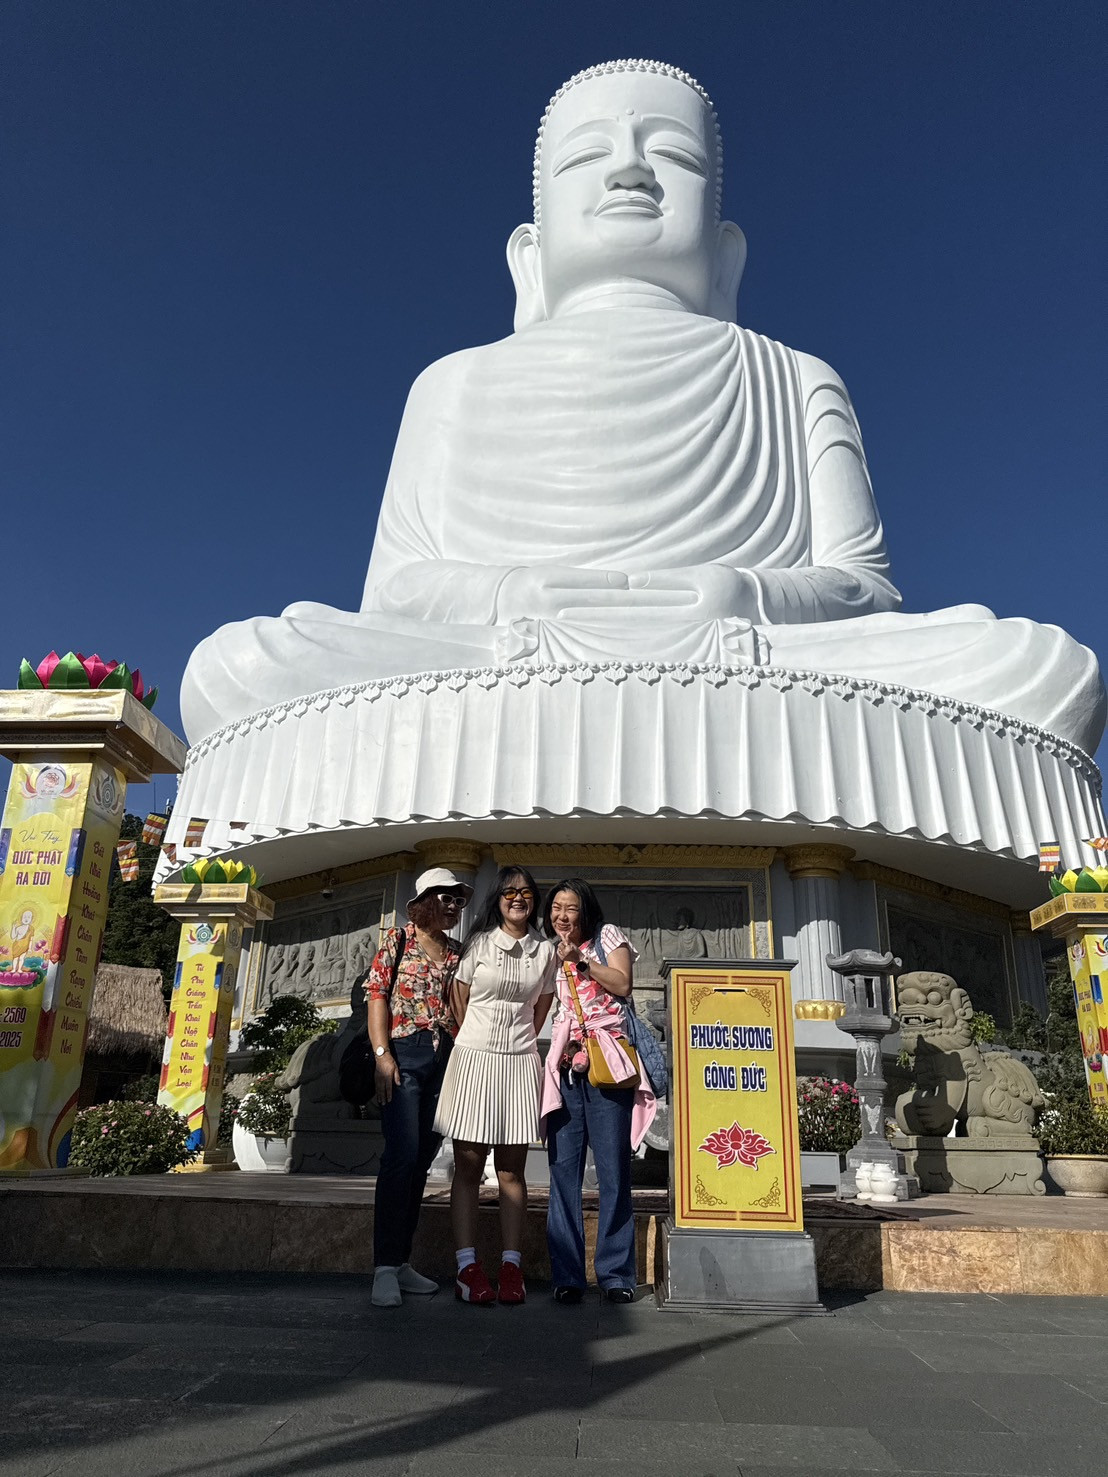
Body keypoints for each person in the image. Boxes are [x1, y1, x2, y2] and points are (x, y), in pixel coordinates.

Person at [182, 59, 1103, 756]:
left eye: (673, 155)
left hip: (746, 655)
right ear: (530, 254)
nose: (630, 172)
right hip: (507, 650)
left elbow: (864, 591)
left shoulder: (795, 376)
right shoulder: (453, 381)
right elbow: (397, 590)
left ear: (726, 252)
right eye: (590, 155)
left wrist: (746, 593)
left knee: (1039, 667)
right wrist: (513, 592)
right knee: (247, 663)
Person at [433, 865, 557, 1304]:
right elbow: (459, 1002)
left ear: (534, 899)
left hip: (519, 1062)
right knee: (468, 1166)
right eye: (508, 892)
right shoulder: (479, 944)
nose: (517, 898)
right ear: (498, 899)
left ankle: (511, 1266)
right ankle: (467, 1267)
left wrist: (514, 1043)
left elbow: (540, 1010)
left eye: (525, 892)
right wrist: (480, 1041)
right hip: (474, 1059)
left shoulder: (546, 951)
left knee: (511, 1171)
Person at [540, 877, 656, 1304]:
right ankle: (567, 1275)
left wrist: (582, 962)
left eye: (570, 908)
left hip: (608, 1065)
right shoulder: (548, 951)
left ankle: (616, 1274)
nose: (562, 916)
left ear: (585, 910)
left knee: (613, 1171)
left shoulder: (607, 937)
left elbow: (623, 984)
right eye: (556, 908)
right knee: (562, 1172)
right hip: (567, 1066)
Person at [365, 866, 472, 1308]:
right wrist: (382, 1054)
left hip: (444, 1058)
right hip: (403, 1054)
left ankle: (401, 1261)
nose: (453, 906)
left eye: (458, 900)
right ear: (425, 900)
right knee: (401, 1155)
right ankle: (384, 1267)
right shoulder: (398, 939)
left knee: (422, 1160)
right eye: (445, 897)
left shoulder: (458, 952)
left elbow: (462, 1007)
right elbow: (377, 994)